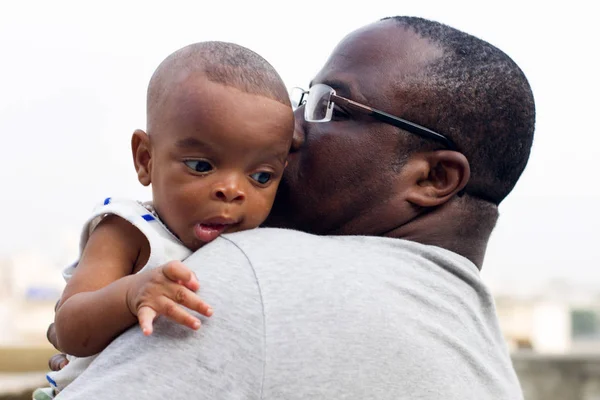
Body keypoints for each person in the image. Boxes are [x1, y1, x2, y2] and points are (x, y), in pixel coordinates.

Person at [50, 16, 535, 399]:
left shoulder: (252, 275)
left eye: (332, 107)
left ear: (433, 178)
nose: (293, 129)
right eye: (307, 100)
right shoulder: (474, 338)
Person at [35, 41, 294, 399]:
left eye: (262, 176)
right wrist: (131, 294)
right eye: (201, 166)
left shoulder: (262, 240)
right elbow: (66, 329)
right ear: (145, 160)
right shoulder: (131, 230)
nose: (232, 190)